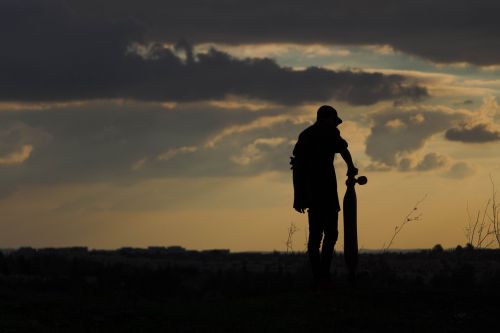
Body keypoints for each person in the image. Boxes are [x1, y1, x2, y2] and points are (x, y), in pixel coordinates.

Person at [291, 105, 358, 286]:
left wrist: (299, 197)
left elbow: (297, 168)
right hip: (326, 190)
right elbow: (343, 150)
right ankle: (323, 275)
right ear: (327, 119)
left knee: (315, 237)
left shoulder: (305, 136)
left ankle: (318, 276)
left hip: (311, 192)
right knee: (330, 234)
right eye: (332, 120)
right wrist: (351, 167)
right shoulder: (330, 133)